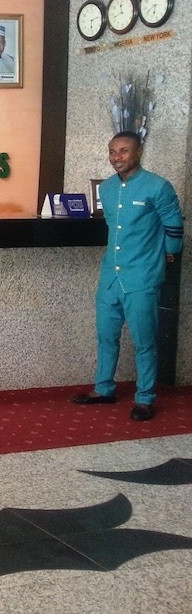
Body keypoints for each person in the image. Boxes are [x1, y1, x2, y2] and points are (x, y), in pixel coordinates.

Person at [71, 131, 183, 421]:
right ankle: (103, 389)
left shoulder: (158, 186)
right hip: (110, 276)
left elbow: (174, 227)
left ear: (138, 152)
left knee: (145, 342)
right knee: (105, 336)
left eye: (123, 151)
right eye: (112, 151)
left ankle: (145, 398)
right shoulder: (107, 188)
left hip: (142, 278)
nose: (116, 157)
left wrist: (169, 254)